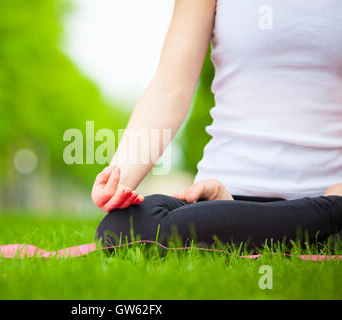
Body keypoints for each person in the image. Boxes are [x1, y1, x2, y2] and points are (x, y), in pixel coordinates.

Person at [92, 0, 342, 251]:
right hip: (229, 199)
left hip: (331, 185)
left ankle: (326, 211)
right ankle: (328, 219)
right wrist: (116, 180)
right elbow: (170, 89)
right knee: (124, 228)